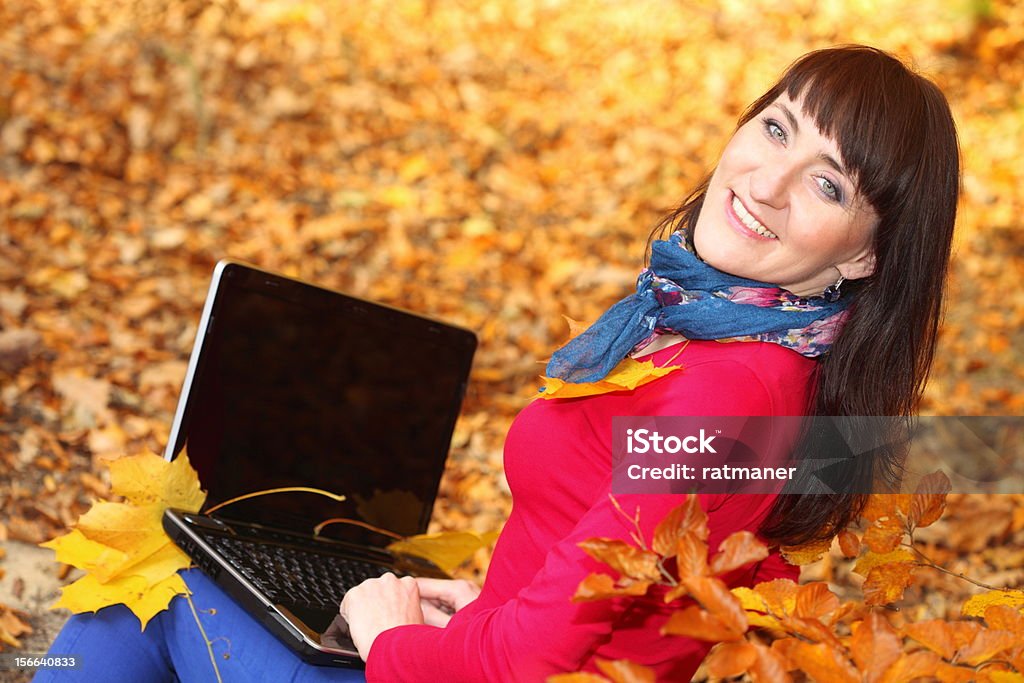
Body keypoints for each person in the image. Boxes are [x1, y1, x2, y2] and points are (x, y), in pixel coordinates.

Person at [38, 44, 959, 682]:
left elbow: (528, 664)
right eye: (775, 129)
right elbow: (632, 592)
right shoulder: (728, 340)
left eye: (829, 184)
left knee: (161, 578)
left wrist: (394, 640)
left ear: (862, 257)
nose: (767, 182)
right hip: (483, 646)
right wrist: (488, 603)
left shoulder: (731, 388)